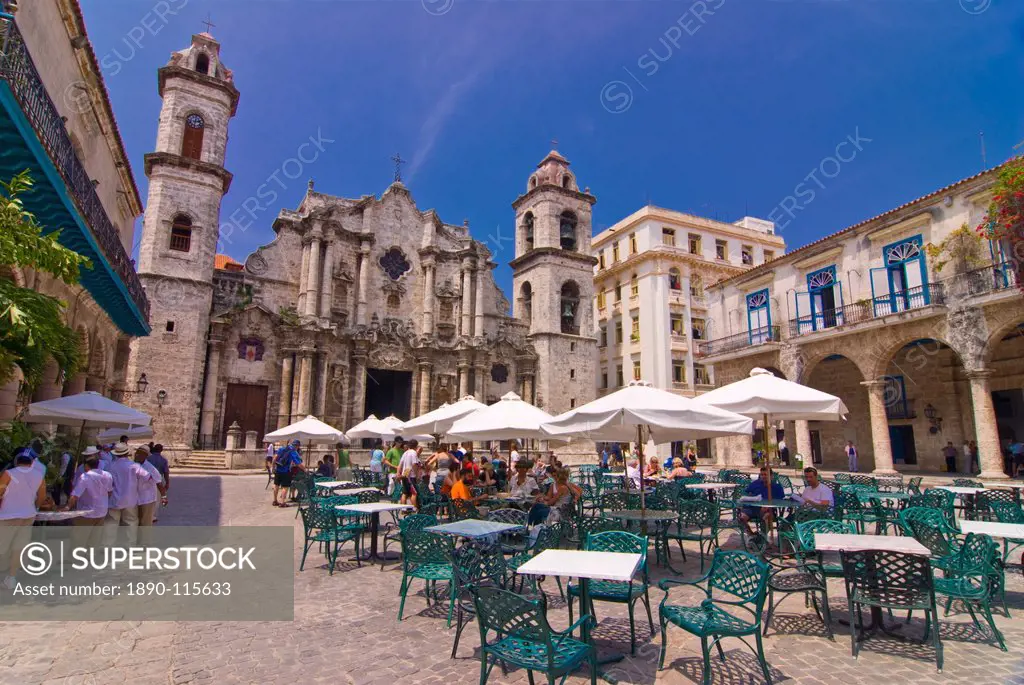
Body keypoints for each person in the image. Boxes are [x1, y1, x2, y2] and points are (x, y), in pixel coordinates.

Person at [0, 451, 47, 589]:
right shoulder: (39, 476)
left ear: (17, 462)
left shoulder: (9, 474)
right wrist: (35, 506)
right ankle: (11, 578)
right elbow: (41, 497)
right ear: (31, 463)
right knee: (18, 547)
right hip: (28, 515)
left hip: (8, 515)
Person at [104, 442, 157, 546]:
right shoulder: (134, 466)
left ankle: (107, 545)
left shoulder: (110, 466)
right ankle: (130, 544)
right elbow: (149, 477)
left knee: (111, 523)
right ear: (127, 453)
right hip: (130, 499)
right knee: (131, 522)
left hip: (114, 499)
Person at [65, 454, 112, 548]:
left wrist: (67, 507)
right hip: (102, 511)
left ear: (86, 465)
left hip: (87, 511)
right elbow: (110, 492)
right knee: (95, 538)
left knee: (78, 538)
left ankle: (74, 558)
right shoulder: (107, 475)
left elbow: (75, 495)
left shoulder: (85, 476)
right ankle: (91, 558)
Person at [738, 466, 786, 537]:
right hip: (752, 509)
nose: (763, 476)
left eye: (765, 475)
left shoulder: (777, 487)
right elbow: (745, 493)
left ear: (771, 476)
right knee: (741, 517)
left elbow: (780, 500)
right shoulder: (755, 484)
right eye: (762, 475)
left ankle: (762, 537)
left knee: (767, 517)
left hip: (767, 510)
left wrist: (769, 505)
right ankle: (751, 535)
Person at [135, 445, 165, 532]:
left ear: (145, 455)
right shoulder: (134, 465)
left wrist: (164, 497)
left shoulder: (150, 468)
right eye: (137, 453)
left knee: (146, 523)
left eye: (139, 454)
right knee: (137, 522)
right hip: (136, 498)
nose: (136, 455)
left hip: (147, 499)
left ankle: (145, 542)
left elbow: (159, 483)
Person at [272, 440, 302, 507]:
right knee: (285, 487)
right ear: (297, 446)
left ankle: (275, 501)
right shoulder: (293, 452)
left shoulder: (281, 448)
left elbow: (274, 458)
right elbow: (298, 463)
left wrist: (273, 468)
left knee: (276, 485)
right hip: (286, 471)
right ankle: (282, 502)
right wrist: (304, 470)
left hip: (278, 470)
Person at [147, 444, 170, 518]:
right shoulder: (163, 460)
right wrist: (167, 482)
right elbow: (166, 472)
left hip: (147, 478)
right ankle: (153, 515)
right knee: (156, 498)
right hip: (158, 479)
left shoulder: (148, 458)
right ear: (161, 450)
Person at [398, 439, 421, 508]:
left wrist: (398, 473)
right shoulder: (413, 453)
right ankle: (415, 509)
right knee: (414, 493)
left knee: (405, 493)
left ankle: (403, 509)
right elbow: (414, 464)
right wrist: (417, 475)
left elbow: (400, 465)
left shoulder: (405, 453)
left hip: (404, 474)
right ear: (416, 446)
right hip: (411, 476)